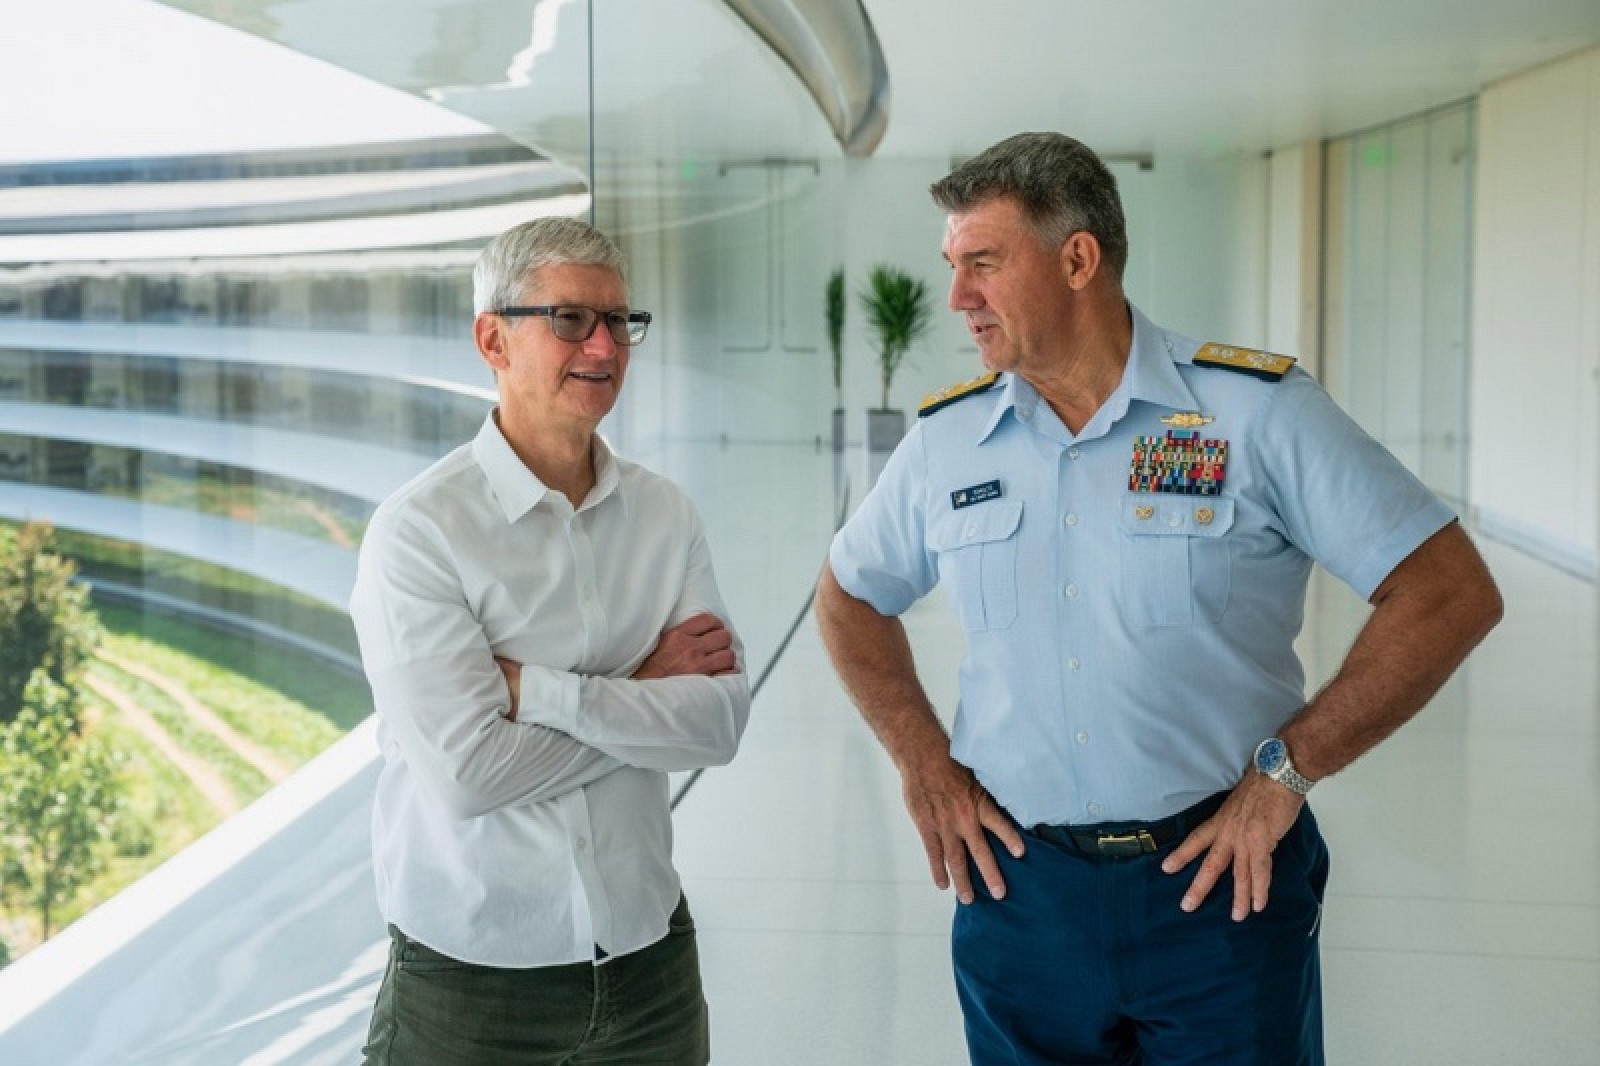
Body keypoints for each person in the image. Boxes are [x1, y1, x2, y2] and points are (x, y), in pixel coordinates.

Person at [815, 132, 1502, 1065]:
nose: (956, 298)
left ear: (1077, 259)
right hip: (1021, 899)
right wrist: (924, 763)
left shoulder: (1251, 413)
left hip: (1222, 889)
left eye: (982, 263)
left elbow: (1448, 590)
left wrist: (1287, 771)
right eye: (952, 266)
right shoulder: (949, 441)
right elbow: (849, 595)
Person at [350, 216, 750, 1065]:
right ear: (492, 338)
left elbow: (716, 727)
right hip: (469, 983)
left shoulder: (665, 514)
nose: (604, 346)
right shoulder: (419, 532)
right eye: (570, 319)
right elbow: (468, 775)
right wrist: (643, 691)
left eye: (619, 320)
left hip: (649, 961)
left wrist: (537, 691)